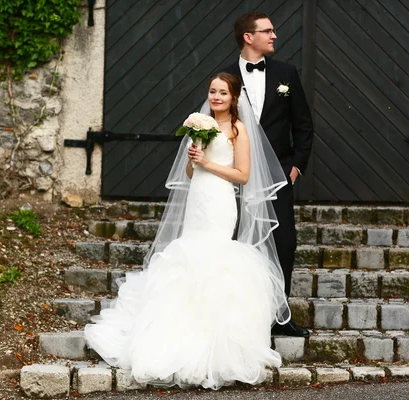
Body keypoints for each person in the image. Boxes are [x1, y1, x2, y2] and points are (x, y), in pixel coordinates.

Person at [84, 72, 291, 390]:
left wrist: (207, 164)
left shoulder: (238, 129)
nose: (216, 97)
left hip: (221, 203)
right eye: (212, 91)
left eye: (223, 92)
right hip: (199, 198)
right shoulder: (200, 126)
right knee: (188, 255)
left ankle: (215, 344)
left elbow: (243, 175)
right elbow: (190, 172)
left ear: (234, 98)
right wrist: (195, 160)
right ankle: (177, 334)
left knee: (214, 258)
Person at [222, 12, 314, 337]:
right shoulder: (226, 77)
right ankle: (237, 315)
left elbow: (303, 123)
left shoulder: (286, 73)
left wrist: (297, 165)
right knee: (238, 243)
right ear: (249, 37)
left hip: (279, 176)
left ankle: (281, 316)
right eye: (267, 31)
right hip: (239, 176)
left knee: (283, 242)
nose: (274, 35)